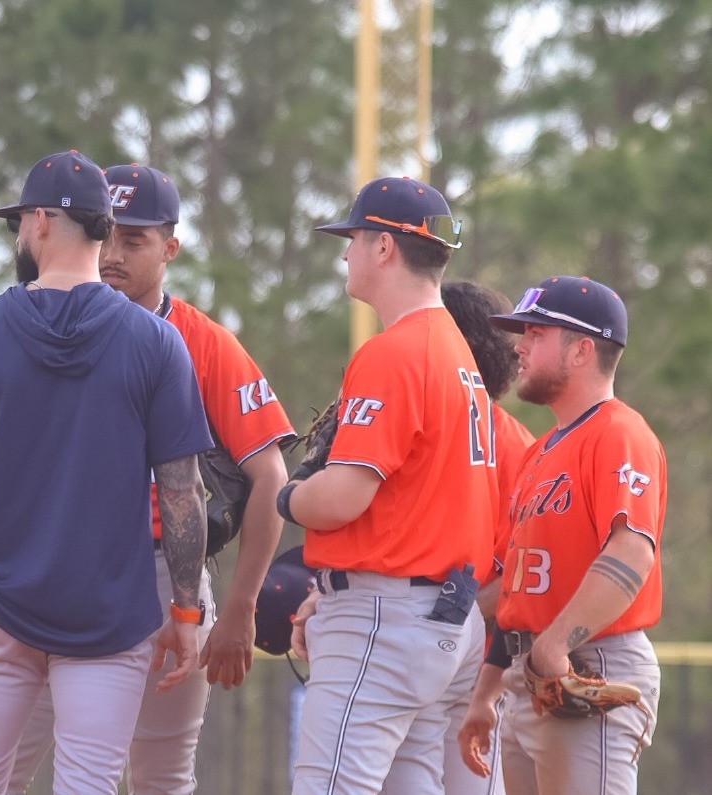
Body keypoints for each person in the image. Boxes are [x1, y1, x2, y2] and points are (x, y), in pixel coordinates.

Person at [0, 149, 214, 795]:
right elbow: (183, 492)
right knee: (88, 784)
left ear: (41, 221)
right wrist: (186, 608)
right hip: (110, 610)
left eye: (21, 219)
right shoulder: (156, 341)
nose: (20, 232)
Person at [7, 163, 295, 795]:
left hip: (167, 573)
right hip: (49, 568)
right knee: (1, 769)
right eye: (107, 234)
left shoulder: (203, 342)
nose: (113, 253)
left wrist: (241, 606)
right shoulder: (36, 323)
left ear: (170, 248)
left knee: (161, 777)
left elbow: (270, 474)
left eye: (134, 240)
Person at [279, 176, 496, 795]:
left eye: (353, 239)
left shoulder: (395, 352)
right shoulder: (456, 350)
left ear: (384, 247)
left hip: (387, 615)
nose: (346, 253)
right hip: (444, 615)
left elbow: (341, 499)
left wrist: (286, 495)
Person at [459, 275, 664, 794]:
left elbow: (632, 551)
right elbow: (516, 591)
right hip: (526, 672)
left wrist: (554, 645)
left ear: (582, 350)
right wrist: (485, 693)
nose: (519, 346)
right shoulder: (540, 451)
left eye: (536, 333)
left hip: (589, 661)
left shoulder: (618, 432)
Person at [393, 280, 536, 795]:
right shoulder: (519, 441)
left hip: (463, 656)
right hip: (471, 653)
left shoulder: (428, 429)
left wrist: (454, 617)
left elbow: (525, 573)